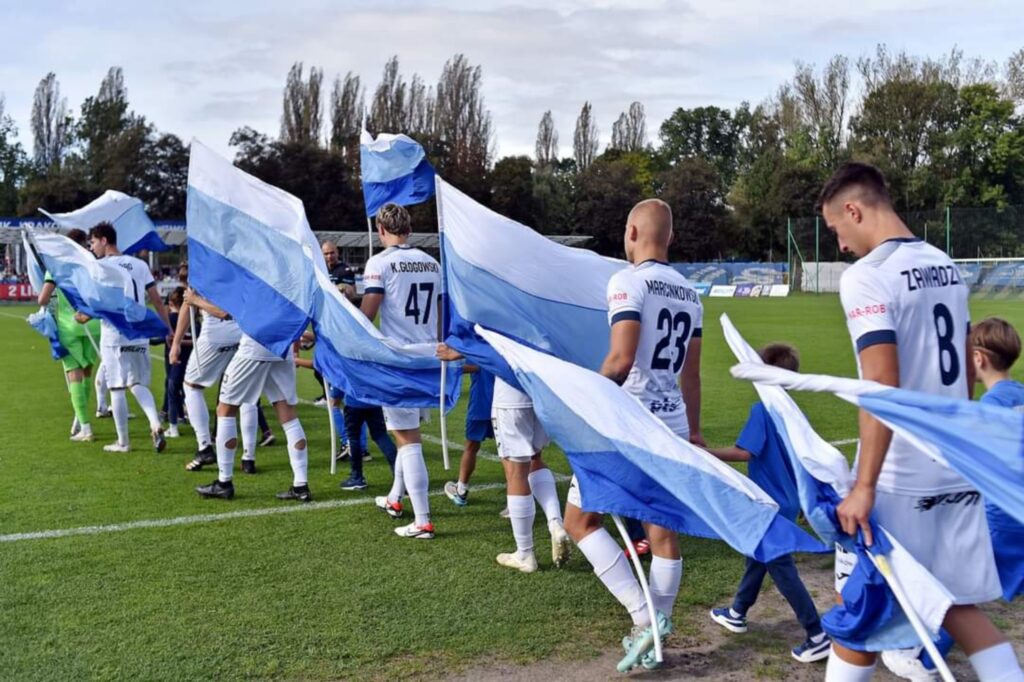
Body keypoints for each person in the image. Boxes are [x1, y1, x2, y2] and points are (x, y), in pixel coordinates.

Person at [818, 162, 1021, 682]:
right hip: (952, 465)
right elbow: (967, 373)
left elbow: (880, 386)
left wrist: (865, 485)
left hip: (900, 477)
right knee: (956, 606)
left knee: (860, 614)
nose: (840, 245)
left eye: (836, 229)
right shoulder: (944, 264)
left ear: (853, 210)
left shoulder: (867, 276)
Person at [562, 198, 702, 672]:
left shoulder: (627, 281)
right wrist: (694, 431)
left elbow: (621, 361)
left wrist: (587, 404)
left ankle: (644, 618)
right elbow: (691, 375)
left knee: (579, 521)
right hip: (672, 422)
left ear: (632, 232)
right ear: (671, 237)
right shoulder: (690, 292)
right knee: (662, 530)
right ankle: (656, 632)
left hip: (629, 423)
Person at [884, 317, 1024, 681]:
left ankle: (924, 660)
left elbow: (967, 461)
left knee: (956, 589)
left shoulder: (989, 406)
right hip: (1018, 511)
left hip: (998, 516)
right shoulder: (1020, 395)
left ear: (977, 359)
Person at [706, 343, 830, 664]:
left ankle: (816, 634)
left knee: (782, 569)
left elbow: (745, 452)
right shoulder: (795, 413)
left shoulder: (762, 411)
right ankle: (737, 611)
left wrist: (706, 452)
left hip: (768, 504)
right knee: (757, 557)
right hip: (788, 502)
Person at [361, 203, 439, 539]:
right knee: (405, 432)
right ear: (409, 228)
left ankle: (423, 520)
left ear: (381, 229)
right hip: (429, 357)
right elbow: (442, 312)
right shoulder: (432, 263)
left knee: (407, 439)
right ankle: (395, 497)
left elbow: (367, 315)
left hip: (399, 359)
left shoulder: (379, 263)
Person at [195, 331, 311, 502]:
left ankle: (224, 482)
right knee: (288, 414)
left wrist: (198, 309)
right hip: (282, 347)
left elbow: (226, 316)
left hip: (255, 346)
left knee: (225, 410)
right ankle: (301, 486)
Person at [86, 222, 171, 453]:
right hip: (139, 333)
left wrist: (85, 314)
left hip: (114, 334)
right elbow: (156, 299)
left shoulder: (99, 267)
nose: (91, 247)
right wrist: (168, 328)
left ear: (104, 240)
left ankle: (123, 442)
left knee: (116, 387)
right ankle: (155, 423)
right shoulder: (139, 264)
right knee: (137, 383)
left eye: (93, 242)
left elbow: (99, 302)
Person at [171, 287, 261, 474]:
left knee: (191, 386)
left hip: (215, 333)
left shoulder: (202, 269)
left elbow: (188, 303)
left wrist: (176, 342)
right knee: (247, 393)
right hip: (244, 332)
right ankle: (248, 458)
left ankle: (204, 446)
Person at [36, 228, 103, 442]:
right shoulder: (92, 264)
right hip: (93, 324)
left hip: (70, 325)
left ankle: (85, 427)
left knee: (74, 374)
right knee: (87, 372)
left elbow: (42, 299)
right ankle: (79, 419)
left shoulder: (57, 266)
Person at [312, 240, 358, 407]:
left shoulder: (344, 270)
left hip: (340, 323)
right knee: (321, 364)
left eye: (332, 252)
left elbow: (353, 293)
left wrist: (342, 288)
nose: (329, 256)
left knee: (335, 361)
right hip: (324, 319)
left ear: (337, 252)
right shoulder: (320, 269)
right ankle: (330, 395)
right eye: (326, 253)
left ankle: (336, 396)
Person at [443, 366, 495, 506]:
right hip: (502, 403)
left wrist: (443, 365)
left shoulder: (480, 351)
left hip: (482, 404)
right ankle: (519, 495)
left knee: (471, 446)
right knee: (510, 452)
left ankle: (461, 489)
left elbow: (472, 366)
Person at [163, 287, 190, 438]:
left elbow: (162, 337)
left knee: (172, 392)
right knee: (189, 393)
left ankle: (173, 427)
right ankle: (184, 417)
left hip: (175, 362)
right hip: (190, 364)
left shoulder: (171, 320)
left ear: (171, 303)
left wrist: (176, 342)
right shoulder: (192, 320)